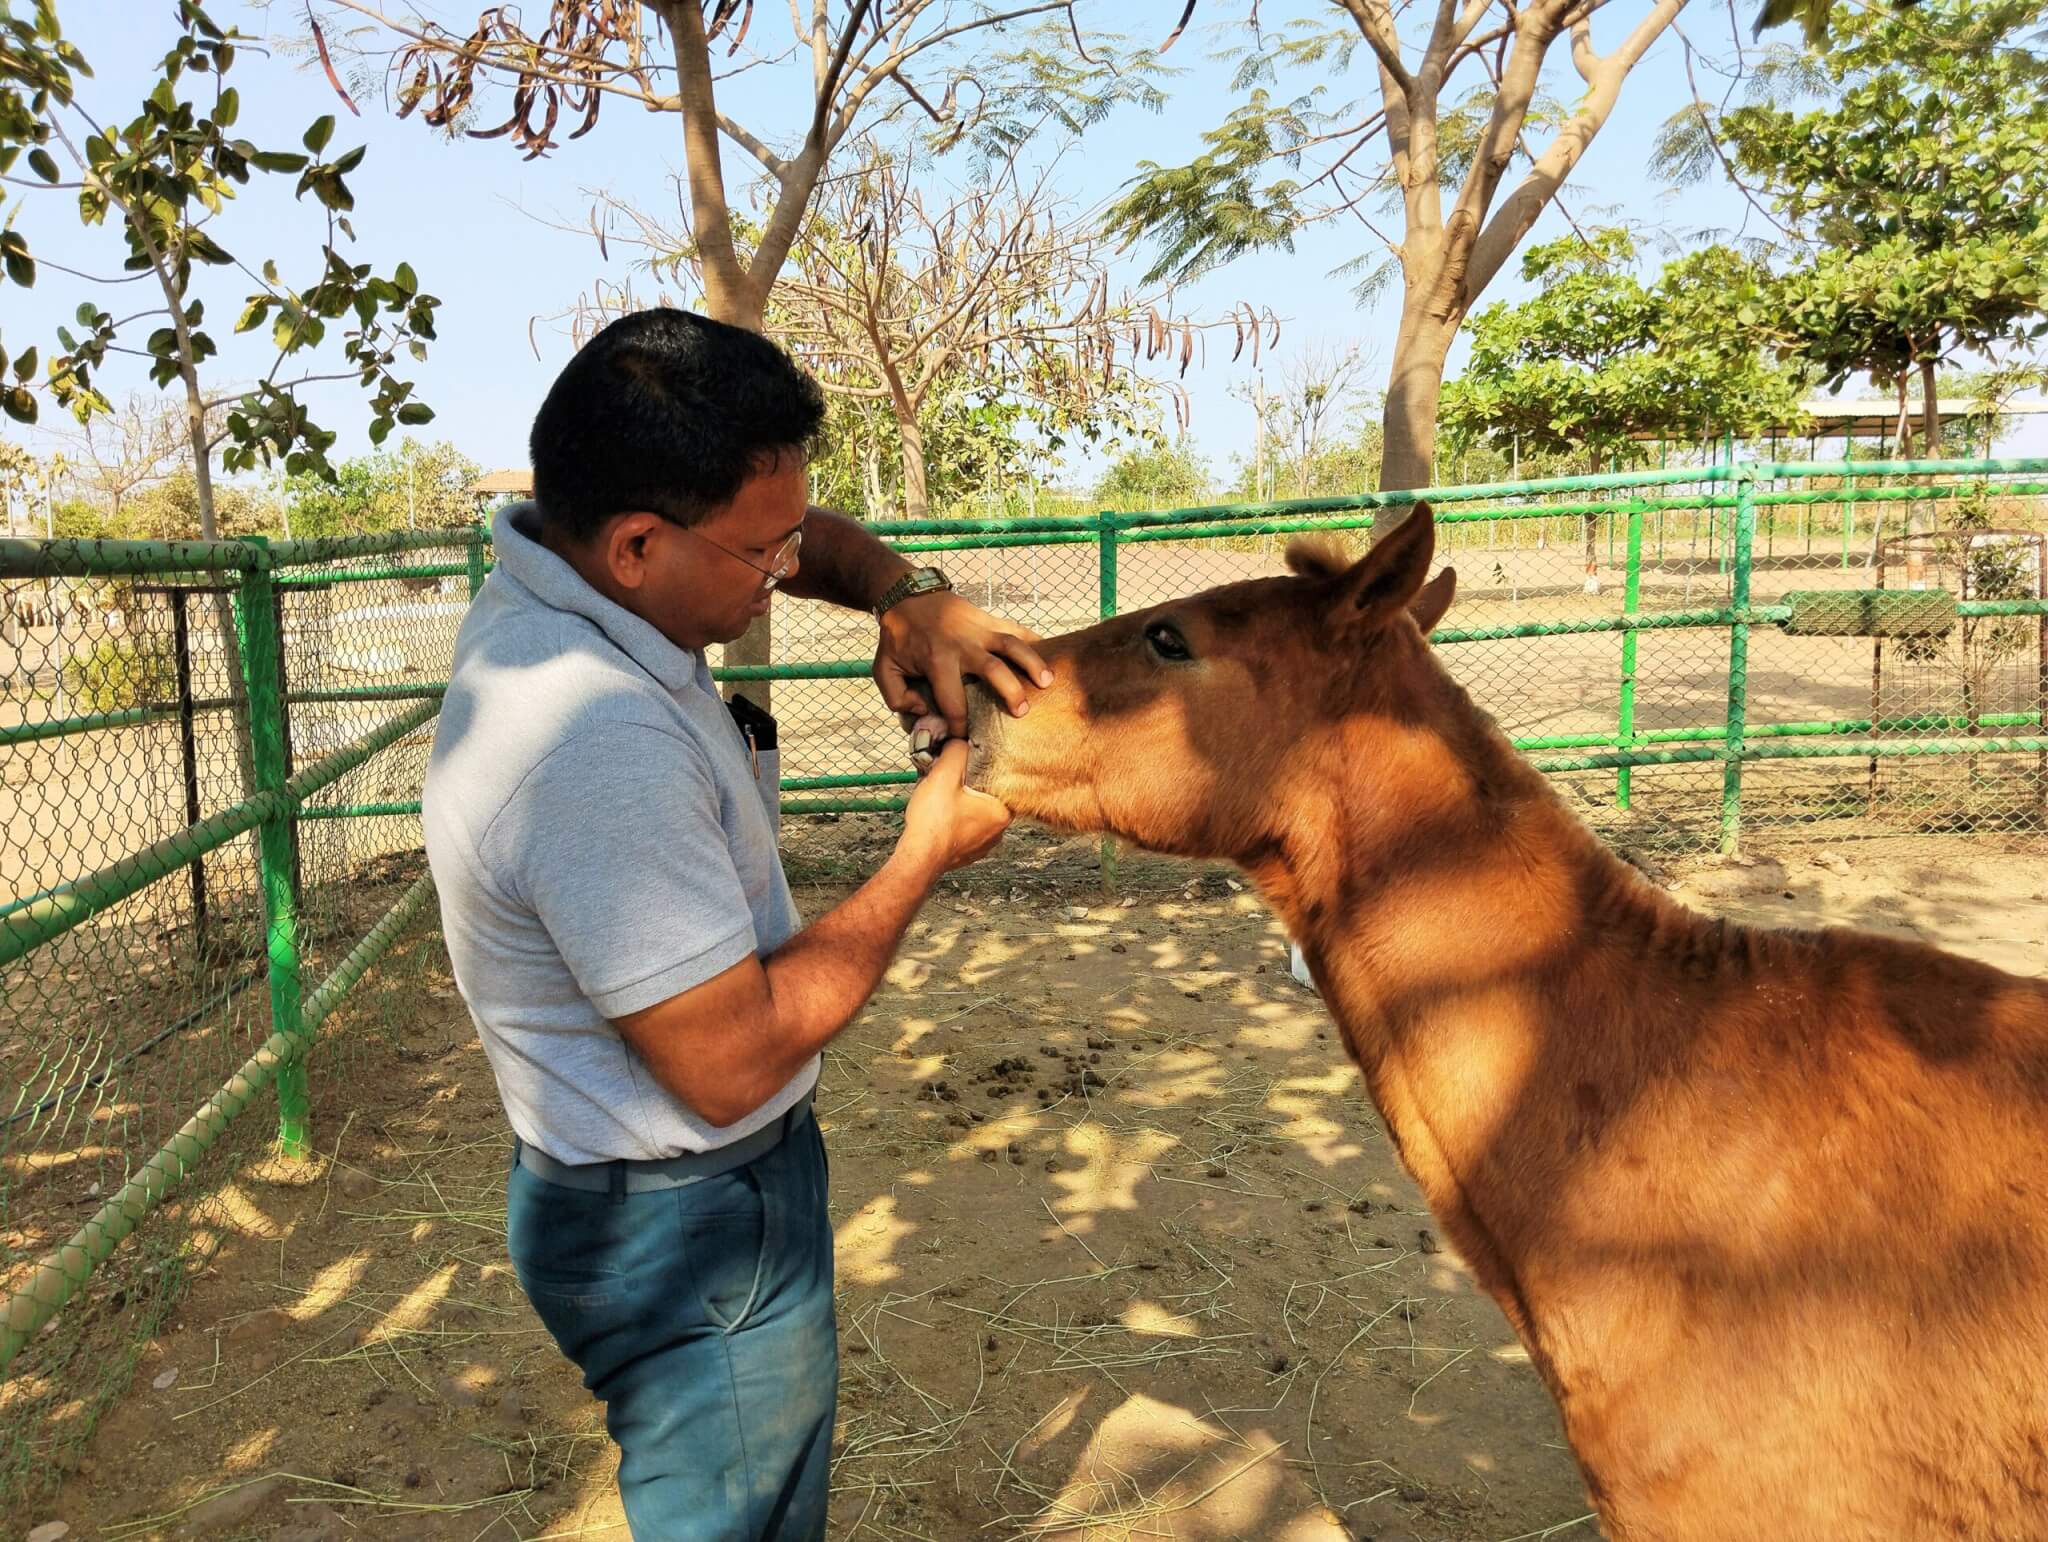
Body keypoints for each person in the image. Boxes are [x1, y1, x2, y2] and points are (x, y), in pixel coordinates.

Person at [421, 308, 1045, 1540]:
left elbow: (792, 539)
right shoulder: (589, 734)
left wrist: (900, 595)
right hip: (686, 1217)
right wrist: (923, 851)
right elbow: (728, 1063)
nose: (783, 574)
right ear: (641, 543)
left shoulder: (573, 582)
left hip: (646, 1193)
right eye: (764, 555)